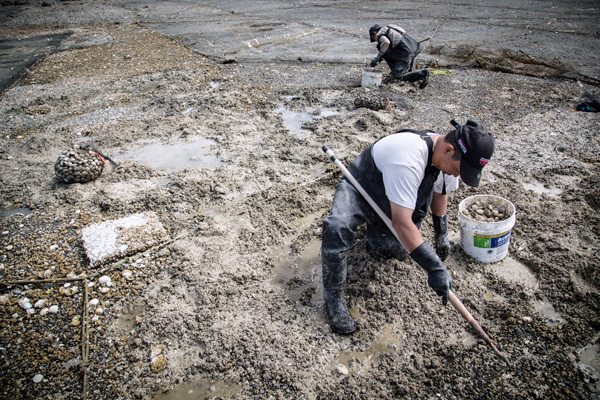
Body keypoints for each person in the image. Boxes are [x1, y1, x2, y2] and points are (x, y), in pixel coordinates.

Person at [321, 120, 495, 334]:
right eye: (459, 169)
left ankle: (375, 231)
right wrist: (434, 267)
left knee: (394, 251)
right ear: (449, 150)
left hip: (393, 202)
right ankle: (333, 299)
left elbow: (440, 193)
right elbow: (401, 223)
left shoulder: (444, 159)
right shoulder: (408, 158)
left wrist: (441, 233)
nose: (458, 175)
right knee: (337, 227)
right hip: (361, 189)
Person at [369, 24, 429, 89]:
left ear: (374, 32)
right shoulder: (391, 27)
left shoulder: (380, 34)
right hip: (413, 48)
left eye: (373, 38)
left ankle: (422, 73)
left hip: (404, 52)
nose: (376, 40)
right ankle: (417, 78)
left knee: (398, 77)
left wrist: (377, 57)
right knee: (409, 73)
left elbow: (386, 42)